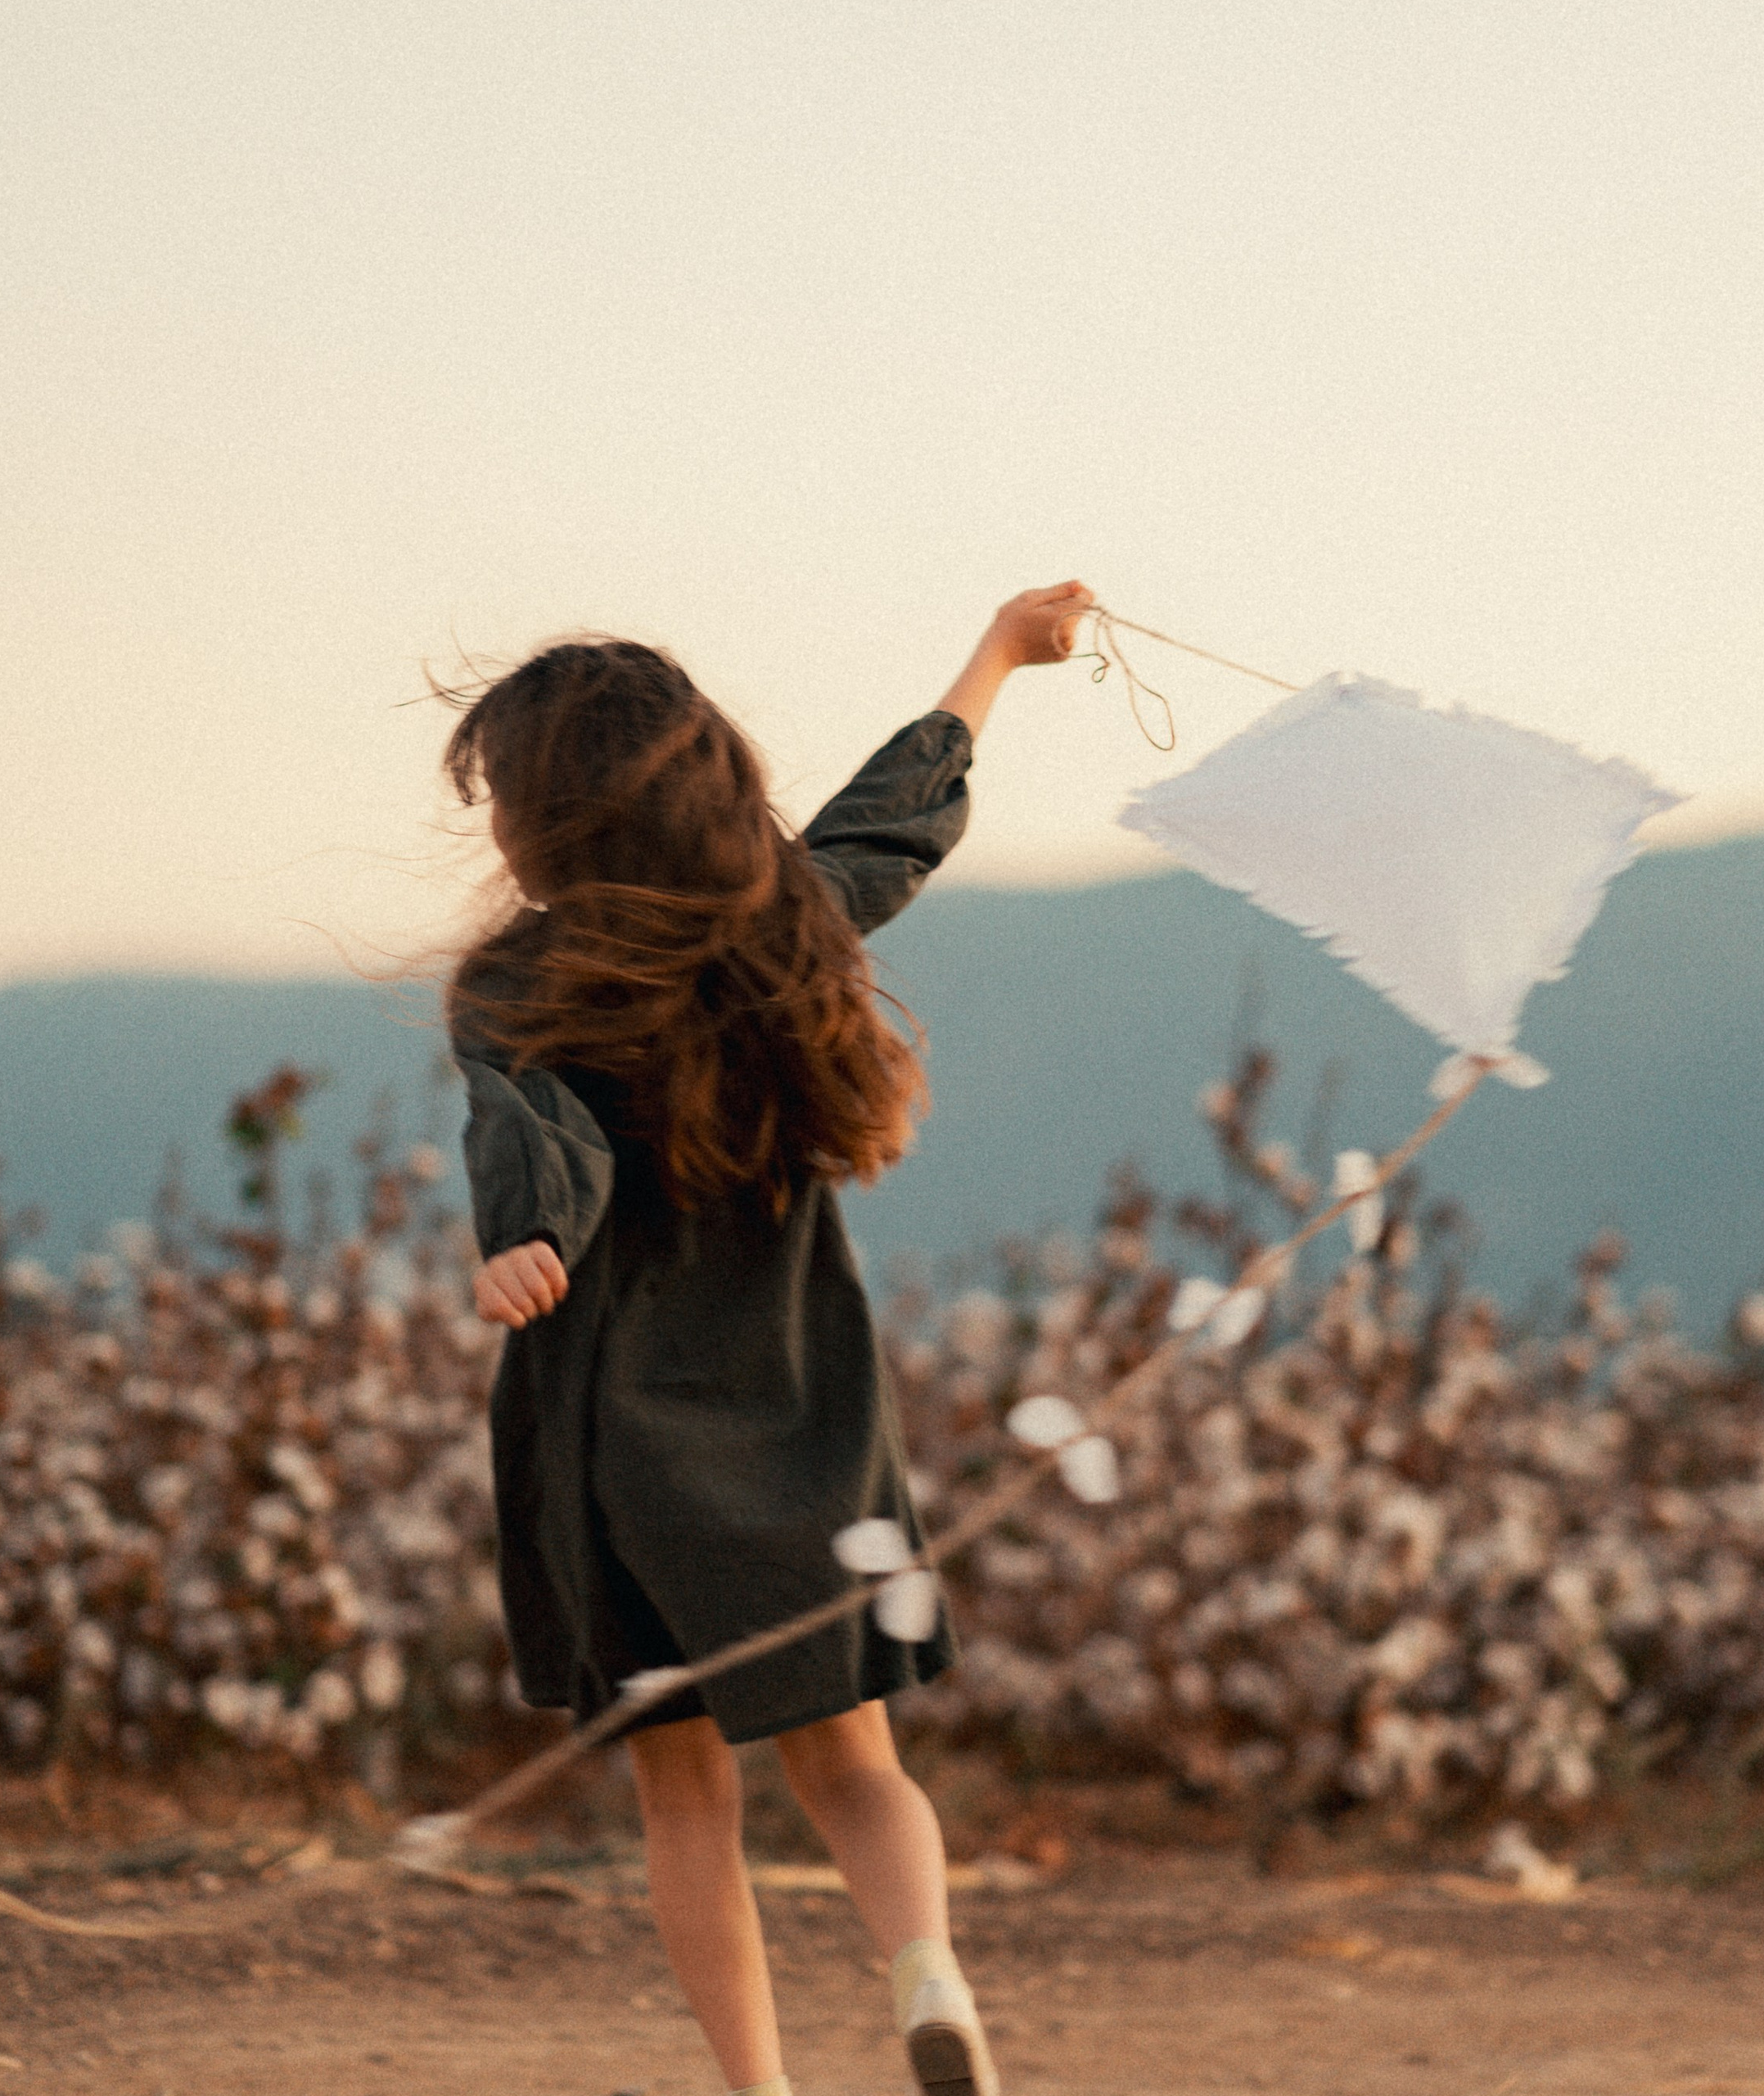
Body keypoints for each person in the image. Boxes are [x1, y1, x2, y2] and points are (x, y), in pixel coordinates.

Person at [444, 581, 1093, 2096]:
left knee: (689, 1801)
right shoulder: (783, 924)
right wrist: (999, 652)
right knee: (856, 1765)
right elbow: (894, 823)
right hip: (806, 1402)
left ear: (546, 824)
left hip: (616, 1436)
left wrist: (519, 1244)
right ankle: (926, 1967)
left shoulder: (518, 983)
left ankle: (760, 2091)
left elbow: (537, 1142)